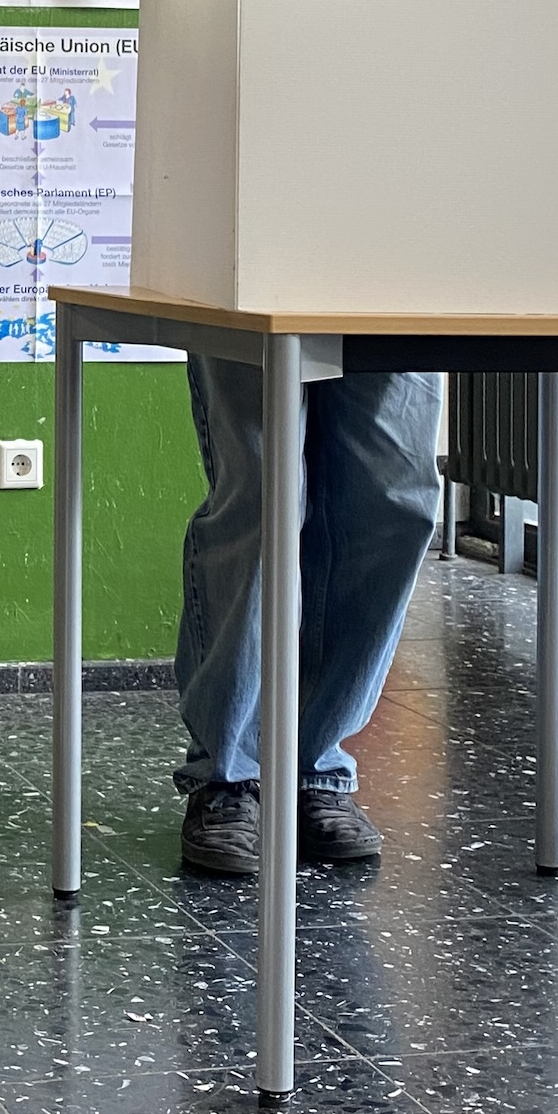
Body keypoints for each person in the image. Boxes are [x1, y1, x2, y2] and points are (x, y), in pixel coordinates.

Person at [174, 366, 443, 875]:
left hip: (399, 312)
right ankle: (228, 774)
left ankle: (317, 764)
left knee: (393, 502)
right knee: (261, 495)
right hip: (257, 313)